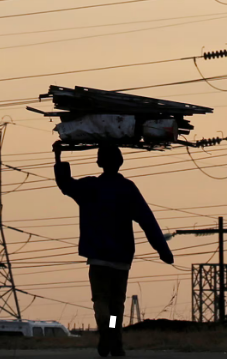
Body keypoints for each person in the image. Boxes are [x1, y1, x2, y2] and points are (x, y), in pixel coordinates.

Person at [54, 142, 174, 357]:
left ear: (99, 162)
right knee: (116, 304)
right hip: (121, 259)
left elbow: (65, 185)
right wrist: (162, 250)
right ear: (120, 162)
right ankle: (114, 339)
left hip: (98, 258)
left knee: (101, 301)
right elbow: (148, 221)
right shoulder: (127, 189)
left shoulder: (90, 187)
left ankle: (107, 334)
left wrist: (58, 157)